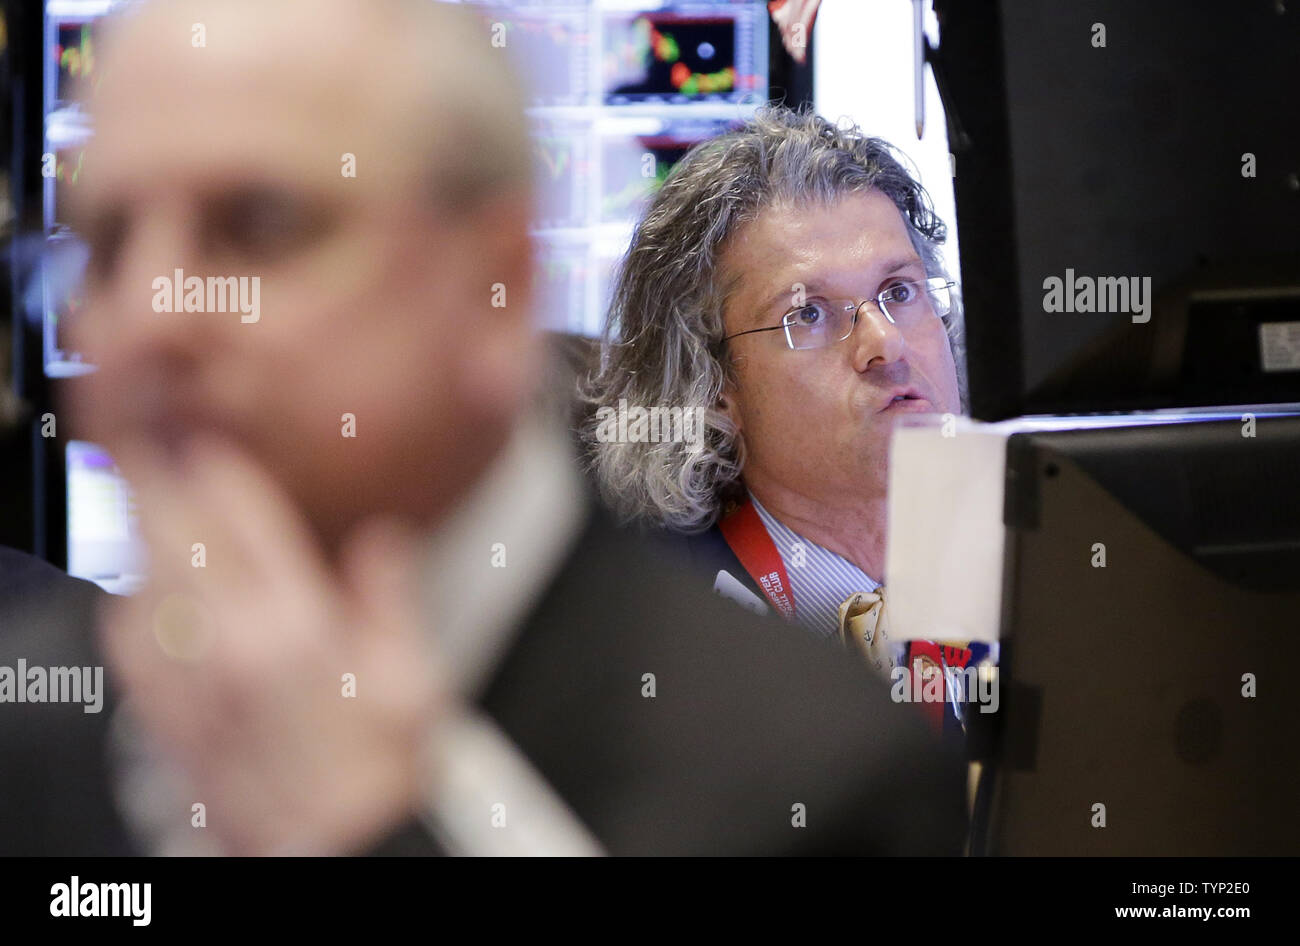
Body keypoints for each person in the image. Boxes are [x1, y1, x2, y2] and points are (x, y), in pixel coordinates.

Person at [0, 0, 965, 856]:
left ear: (495, 286)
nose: (153, 314)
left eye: (256, 225)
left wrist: (372, 837)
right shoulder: (27, 713)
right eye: (104, 245)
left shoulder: (813, 761)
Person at [584, 107, 991, 707]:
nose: (886, 344)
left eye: (899, 292)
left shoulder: (1050, 553)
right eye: (808, 314)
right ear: (712, 382)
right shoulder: (648, 646)